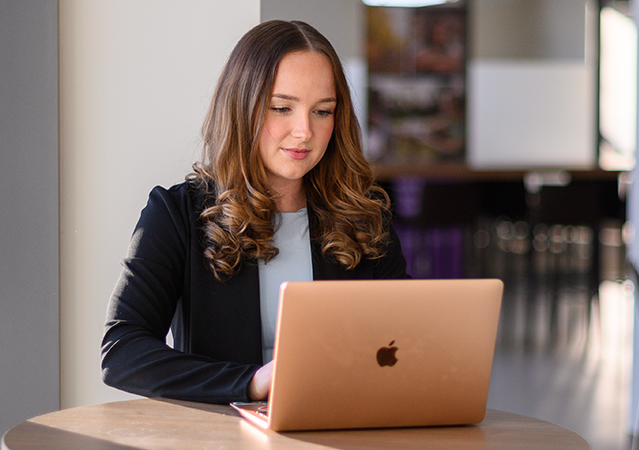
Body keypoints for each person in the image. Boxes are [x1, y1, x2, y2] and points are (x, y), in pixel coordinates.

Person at [99, 20, 410, 404]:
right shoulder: (176, 213)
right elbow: (121, 351)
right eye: (282, 108)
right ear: (242, 107)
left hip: (342, 429)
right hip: (224, 437)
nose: (304, 131)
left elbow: (407, 341)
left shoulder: (365, 215)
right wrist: (253, 382)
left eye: (322, 112)